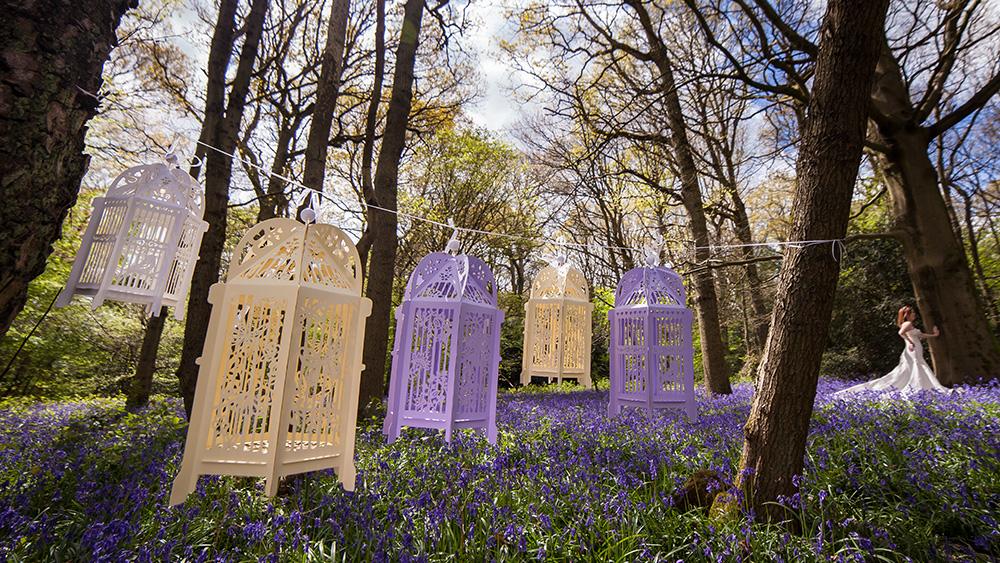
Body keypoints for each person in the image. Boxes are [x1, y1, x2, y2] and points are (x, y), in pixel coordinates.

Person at [836, 304, 949, 394]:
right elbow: (901, 333)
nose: (914, 314)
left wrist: (934, 335)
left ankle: (924, 387)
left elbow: (920, 335)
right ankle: (921, 387)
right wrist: (909, 342)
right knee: (917, 365)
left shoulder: (910, 324)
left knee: (917, 365)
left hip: (915, 348)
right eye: (912, 312)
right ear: (907, 315)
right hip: (912, 348)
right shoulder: (907, 323)